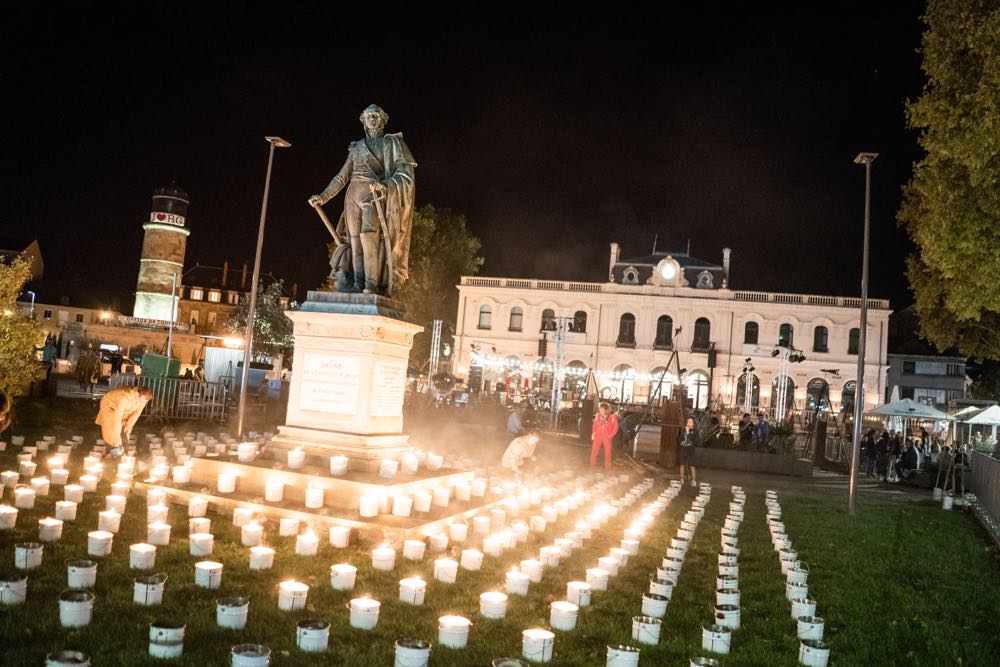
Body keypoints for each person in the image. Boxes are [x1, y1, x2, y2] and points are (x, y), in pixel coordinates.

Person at [308, 104, 417, 295]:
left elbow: (405, 173)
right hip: (352, 196)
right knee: (355, 242)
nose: (372, 118)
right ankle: (358, 284)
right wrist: (323, 196)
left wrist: (387, 184)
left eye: (375, 115)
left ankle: (371, 284)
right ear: (363, 120)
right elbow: (341, 177)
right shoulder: (356, 147)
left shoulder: (392, 143)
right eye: (368, 116)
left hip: (373, 195)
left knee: (369, 237)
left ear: (383, 119)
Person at [95, 385, 154, 457]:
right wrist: (116, 436)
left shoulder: (143, 400)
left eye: (144, 401)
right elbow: (117, 417)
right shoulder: (125, 398)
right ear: (138, 394)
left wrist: (129, 426)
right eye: (141, 401)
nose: (142, 403)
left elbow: (136, 415)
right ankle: (112, 454)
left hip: (124, 410)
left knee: (124, 431)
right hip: (109, 406)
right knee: (111, 431)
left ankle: (123, 455)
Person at [590, 402, 619, 469]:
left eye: (602, 410)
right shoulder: (597, 415)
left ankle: (607, 468)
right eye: (600, 409)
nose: (600, 411)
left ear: (606, 410)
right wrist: (593, 433)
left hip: (607, 437)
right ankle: (592, 467)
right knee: (594, 452)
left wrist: (611, 435)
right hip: (598, 436)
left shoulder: (612, 416)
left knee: (607, 453)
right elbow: (594, 425)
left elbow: (616, 427)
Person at [679, 416, 700, 486]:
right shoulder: (684, 430)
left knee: (692, 466)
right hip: (683, 450)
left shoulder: (695, 432)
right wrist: (682, 443)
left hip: (691, 451)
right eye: (688, 422)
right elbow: (680, 439)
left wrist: (688, 432)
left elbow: (695, 441)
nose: (688, 423)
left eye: (690, 422)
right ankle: (681, 479)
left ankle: (693, 480)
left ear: (693, 424)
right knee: (682, 465)